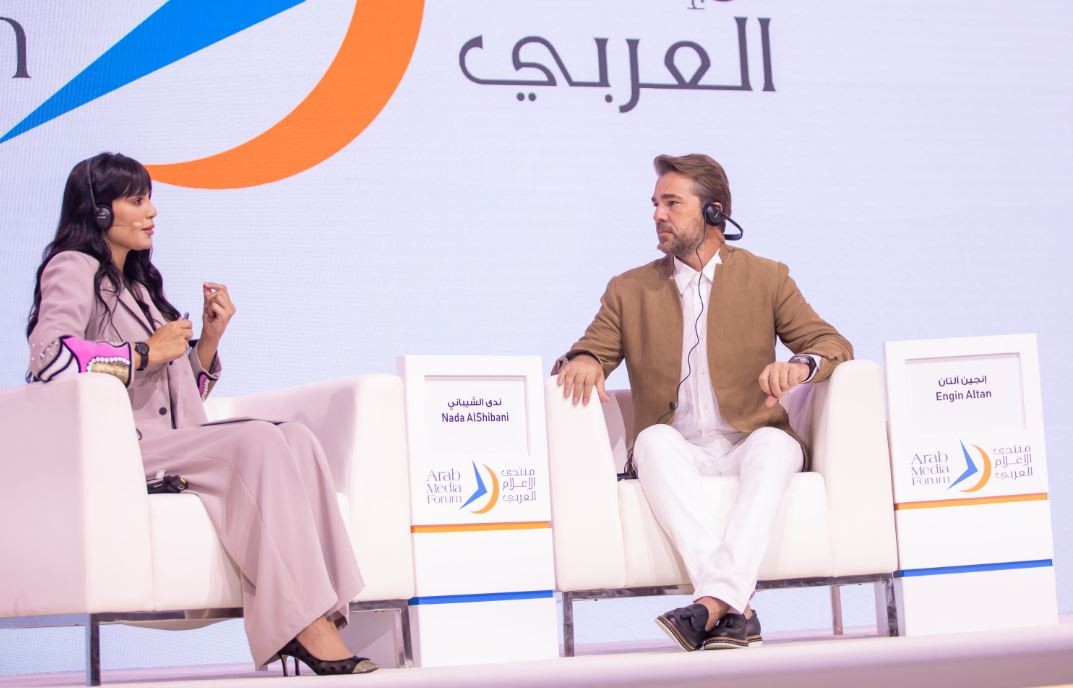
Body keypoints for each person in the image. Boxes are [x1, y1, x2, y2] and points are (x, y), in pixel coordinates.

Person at [26, 152, 376, 676]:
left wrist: (207, 342)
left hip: (172, 441)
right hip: (123, 451)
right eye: (136, 200)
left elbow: (170, 391)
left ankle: (324, 612)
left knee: (298, 438)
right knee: (258, 441)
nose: (151, 212)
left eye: (150, 199)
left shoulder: (139, 287)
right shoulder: (72, 266)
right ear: (99, 211)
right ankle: (303, 625)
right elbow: (48, 358)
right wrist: (143, 351)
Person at [553, 154, 852, 652]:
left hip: (750, 439)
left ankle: (712, 606)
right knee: (652, 441)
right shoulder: (629, 289)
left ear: (714, 212)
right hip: (680, 449)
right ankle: (733, 608)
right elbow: (591, 349)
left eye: (672, 203)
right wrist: (582, 360)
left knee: (775, 447)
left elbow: (832, 343)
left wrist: (800, 365)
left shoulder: (767, 277)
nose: (658, 215)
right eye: (655, 204)